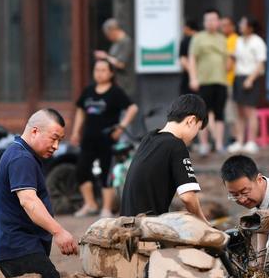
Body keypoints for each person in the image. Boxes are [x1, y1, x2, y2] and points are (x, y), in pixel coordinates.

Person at [0, 109, 78, 278]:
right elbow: (29, 201)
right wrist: (58, 232)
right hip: (21, 250)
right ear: (34, 131)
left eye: (60, 141)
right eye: (53, 138)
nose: (56, 146)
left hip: (19, 250)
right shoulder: (21, 158)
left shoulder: (22, 154)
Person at [120, 93, 209, 221]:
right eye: (198, 129)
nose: (195, 136)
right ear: (191, 121)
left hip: (125, 224)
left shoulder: (149, 138)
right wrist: (204, 223)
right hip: (146, 229)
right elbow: (187, 197)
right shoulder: (176, 145)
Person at [70, 59, 138, 218]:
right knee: (81, 170)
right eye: (96, 70)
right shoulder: (88, 91)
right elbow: (81, 111)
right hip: (88, 138)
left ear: (111, 73)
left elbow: (133, 108)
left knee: (106, 172)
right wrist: (75, 131)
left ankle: (106, 208)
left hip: (108, 139)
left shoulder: (116, 92)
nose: (99, 73)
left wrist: (121, 127)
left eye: (103, 70)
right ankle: (90, 203)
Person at [188, 8, 228, 155]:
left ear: (218, 22)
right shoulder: (198, 38)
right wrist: (193, 77)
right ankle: (204, 144)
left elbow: (227, 60)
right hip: (204, 81)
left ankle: (218, 144)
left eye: (213, 19)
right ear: (204, 22)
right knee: (202, 114)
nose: (211, 22)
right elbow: (192, 59)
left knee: (219, 114)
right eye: (208, 20)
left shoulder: (222, 39)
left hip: (221, 81)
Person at [228, 17, 267, 153]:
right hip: (238, 77)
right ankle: (239, 141)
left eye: (243, 23)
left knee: (250, 111)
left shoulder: (258, 42)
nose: (240, 25)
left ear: (250, 27)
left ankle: (251, 141)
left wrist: (250, 79)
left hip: (252, 77)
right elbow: (234, 58)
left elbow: (260, 63)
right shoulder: (238, 40)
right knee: (239, 111)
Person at [94, 18, 135, 95]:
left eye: (108, 34)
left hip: (124, 83)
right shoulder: (116, 42)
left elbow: (121, 64)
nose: (108, 37)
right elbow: (111, 59)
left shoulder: (126, 42)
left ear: (113, 30)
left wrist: (106, 57)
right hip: (115, 82)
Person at [221, 16, 239, 143]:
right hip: (225, 81)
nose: (223, 28)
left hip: (231, 80)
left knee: (232, 111)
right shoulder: (224, 39)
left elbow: (229, 63)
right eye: (222, 25)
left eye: (226, 25)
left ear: (233, 26)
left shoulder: (234, 40)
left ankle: (235, 138)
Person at [179, 19, 200, 95]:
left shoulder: (185, 41)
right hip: (204, 78)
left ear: (188, 28)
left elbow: (183, 61)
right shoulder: (202, 40)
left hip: (188, 79)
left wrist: (192, 73)